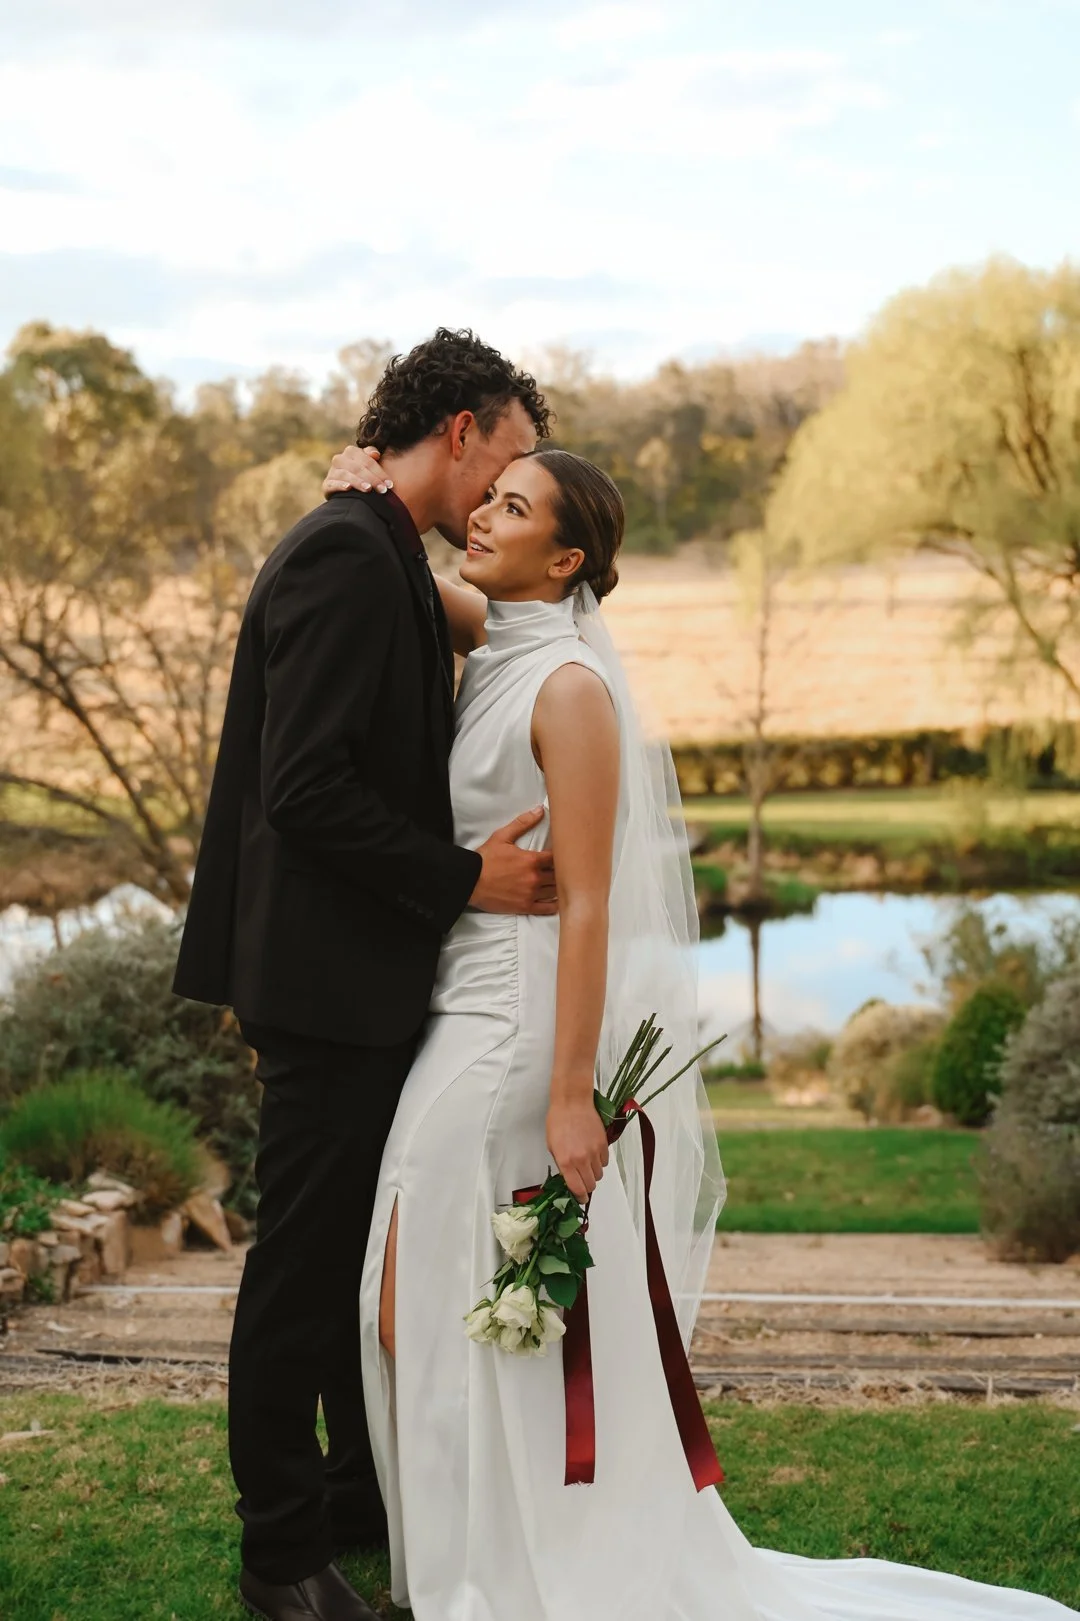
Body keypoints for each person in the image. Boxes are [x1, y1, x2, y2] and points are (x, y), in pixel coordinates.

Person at [323, 438, 1079, 1621]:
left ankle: (514, 1565)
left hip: (515, 1029)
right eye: (487, 496)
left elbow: (588, 906)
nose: (481, 513)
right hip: (456, 1009)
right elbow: (415, 572)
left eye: (512, 508)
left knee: (421, 1290)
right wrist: (366, 490)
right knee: (409, 1285)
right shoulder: (499, 639)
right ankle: (483, 1542)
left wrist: (572, 1091)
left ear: (566, 557)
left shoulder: (571, 690)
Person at [173, 329, 565, 1621]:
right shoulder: (346, 553)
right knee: (304, 1265)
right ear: (458, 432)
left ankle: (352, 1502)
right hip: (328, 983)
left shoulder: (374, 540)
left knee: (345, 1260)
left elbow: (480, 621)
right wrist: (468, 881)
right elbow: (306, 791)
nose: (509, 485)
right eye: (506, 457)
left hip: (351, 978)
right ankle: (281, 1555)